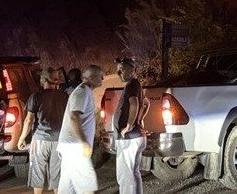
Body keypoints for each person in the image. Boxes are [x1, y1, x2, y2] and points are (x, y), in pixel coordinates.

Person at [18, 68, 69, 194]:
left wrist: (21, 138)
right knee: (57, 174)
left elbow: (29, 120)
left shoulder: (36, 96)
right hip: (59, 140)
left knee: (37, 172)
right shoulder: (64, 96)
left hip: (40, 139)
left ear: (44, 80)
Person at [57, 65, 103, 194]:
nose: (103, 78)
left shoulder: (85, 91)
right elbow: (74, 117)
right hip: (75, 146)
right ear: (91, 77)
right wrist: (83, 142)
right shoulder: (82, 91)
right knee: (87, 186)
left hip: (70, 146)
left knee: (67, 187)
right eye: (101, 75)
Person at [113, 58, 149, 194]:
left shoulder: (132, 85)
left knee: (126, 176)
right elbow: (147, 103)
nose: (119, 72)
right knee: (134, 173)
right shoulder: (136, 85)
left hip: (129, 138)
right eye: (118, 70)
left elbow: (135, 104)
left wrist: (129, 125)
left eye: (122, 69)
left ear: (132, 70)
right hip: (137, 137)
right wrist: (140, 119)